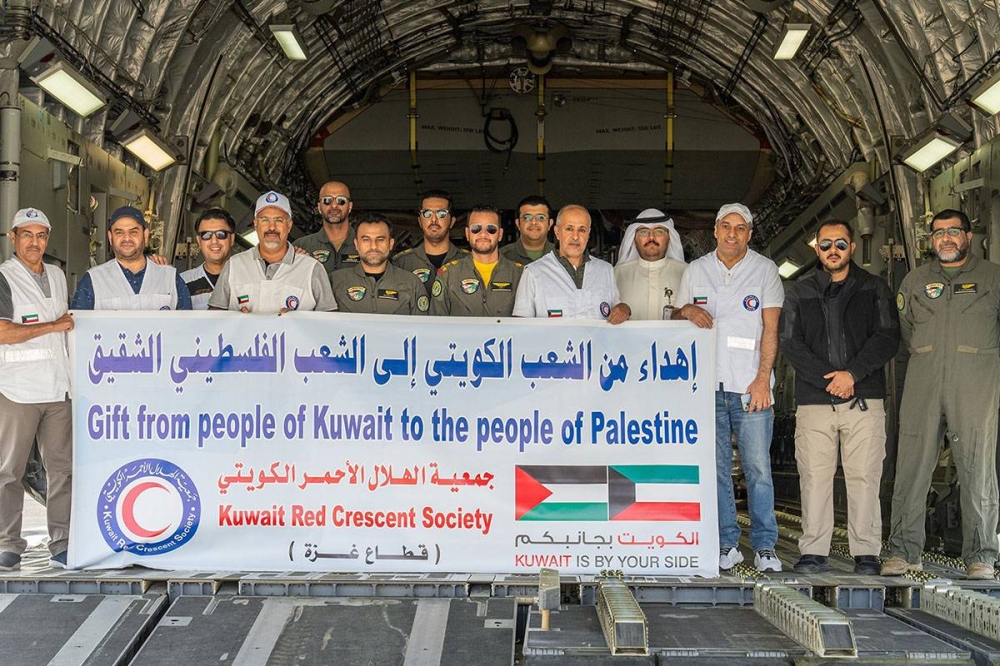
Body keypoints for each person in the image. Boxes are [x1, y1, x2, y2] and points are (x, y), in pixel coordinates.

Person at [882, 208, 1000, 580]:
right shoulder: (915, 281)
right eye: (938, 233)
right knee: (911, 468)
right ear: (930, 240)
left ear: (968, 236)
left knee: (978, 470)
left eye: (953, 231)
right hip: (924, 382)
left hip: (975, 386)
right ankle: (903, 552)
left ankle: (981, 556)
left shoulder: (993, 278)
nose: (945, 238)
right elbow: (905, 332)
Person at [778, 219, 899, 576]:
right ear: (817, 249)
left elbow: (887, 336)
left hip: (864, 400)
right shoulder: (799, 292)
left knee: (865, 476)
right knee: (814, 476)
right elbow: (790, 343)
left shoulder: (874, 288)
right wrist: (828, 380)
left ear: (852, 248)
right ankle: (814, 551)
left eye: (841, 244)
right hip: (815, 402)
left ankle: (867, 552)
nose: (834, 250)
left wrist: (852, 374)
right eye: (826, 244)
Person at [673, 202, 784, 572]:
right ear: (716, 231)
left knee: (758, 468)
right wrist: (687, 310)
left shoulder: (765, 270)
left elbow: (771, 329)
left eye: (740, 228)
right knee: (717, 469)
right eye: (726, 227)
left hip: (750, 387)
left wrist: (763, 379)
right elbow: (675, 317)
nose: (732, 234)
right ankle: (726, 543)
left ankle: (766, 546)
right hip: (707, 387)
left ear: (749, 234)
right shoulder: (697, 269)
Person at [0, 208, 73, 570]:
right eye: (26, 235)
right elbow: (3, 332)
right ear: (12, 238)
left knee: (62, 470)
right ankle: (8, 543)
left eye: (40, 235)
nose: (34, 242)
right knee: (9, 471)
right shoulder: (4, 277)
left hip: (58, 388)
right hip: (17, 389)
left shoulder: (57, 275)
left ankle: (63, 542)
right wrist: (52, 326)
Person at [208, 191, 336, 313]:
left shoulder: (312, 269)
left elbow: (329, 321)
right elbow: (214, 316)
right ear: (256, 224)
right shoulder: (234, 265)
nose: (272, 227)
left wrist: (296, 319)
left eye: (279, 220)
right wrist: (237, 318)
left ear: (289, 225)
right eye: (264, 220)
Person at [512, 204, 630, 322]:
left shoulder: (605, 270)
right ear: (557, 232)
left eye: (582, 230)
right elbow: (521, 326)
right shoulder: (533, 272)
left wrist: (624, 308)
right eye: (569, 229)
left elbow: (617, 308)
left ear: (588, 234)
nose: (575, 237)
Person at [71, 206, 192, 310]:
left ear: (145, 235)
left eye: (133, 232)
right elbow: (79, 325)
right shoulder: (93, 279)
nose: (127, 238)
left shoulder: (170, 278)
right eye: (119, 232)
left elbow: (188, 324)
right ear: (110, 237)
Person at [430, 204, 523, 316]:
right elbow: (436, 322)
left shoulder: (520, 274)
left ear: (500, 234)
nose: (483, 234)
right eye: (476, 228)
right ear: (467, 233)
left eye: (491, 229)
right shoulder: (449, 274)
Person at [330, 212, 429, 315]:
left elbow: (423, 324)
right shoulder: (335, 281)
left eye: (380, 239)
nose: (373, 246)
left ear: (390, 244)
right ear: (356, 244)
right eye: (366, 240)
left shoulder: (411, 283)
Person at [614, 208, 687, 320]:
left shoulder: (687, 273)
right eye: (643, 231)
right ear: (634, 240)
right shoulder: (615, 275)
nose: (651, 237)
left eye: (659, 231)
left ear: (669, 238)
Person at [393, 189, 467, 294]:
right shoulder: (401, 263)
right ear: (420, 221)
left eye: (441, 213)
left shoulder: (468, 261)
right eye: (427, 213)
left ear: (452, 221)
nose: (434, 220)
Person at [295, 181, 359, 280]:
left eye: (341, 200)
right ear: (319, 207)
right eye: (327, 200)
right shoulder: (302, 246)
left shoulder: (366, 244)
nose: (334, 206)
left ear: (349, 207)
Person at [181, 208, 236, 310]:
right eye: (206, 235)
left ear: (232, 239)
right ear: (199, 241)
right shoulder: (182, 282)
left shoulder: (248, 278)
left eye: (221, 234)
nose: (214, 241)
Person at [502, 195, 555, 264]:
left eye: (541, 217)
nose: (533, 222)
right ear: (518, 224)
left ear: (550, 224)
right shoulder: (501, 257)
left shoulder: (561, 255)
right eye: (527, 217)